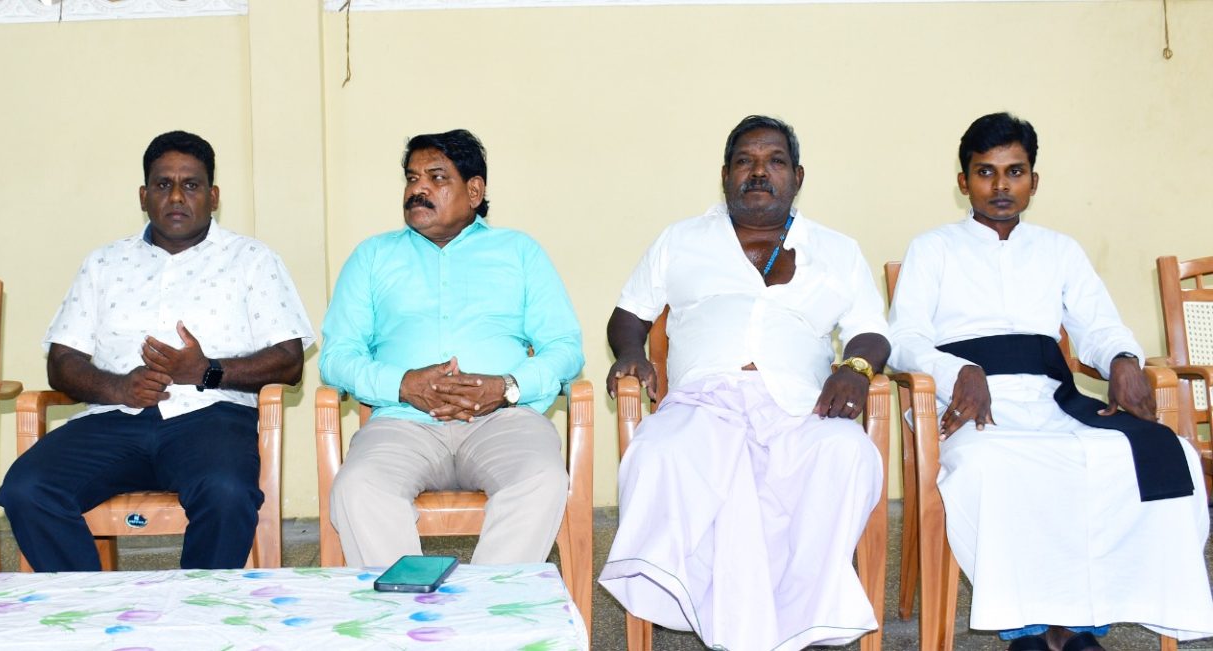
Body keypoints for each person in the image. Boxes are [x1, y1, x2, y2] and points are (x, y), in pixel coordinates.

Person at [888, 112, 1213, 651]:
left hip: (1050, 400)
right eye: (986, 172)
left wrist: (1122, 359)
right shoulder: (934, 248)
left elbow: (1099, 325)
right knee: (995, 467)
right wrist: (958, 370)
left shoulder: (1060, 249)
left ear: (1034, 181)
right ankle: (1029, 628)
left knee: (1161, 453)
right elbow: (904, 337)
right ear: (963, 181)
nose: (1001, 185)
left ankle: (1082, 623)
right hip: (968, 406)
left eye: (1014, 172)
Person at [597, 116, 889, 651]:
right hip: (702, 402)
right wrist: (633, 354)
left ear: (798, 176)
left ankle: (802, 618)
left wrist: (856, 368)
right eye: (745, 161)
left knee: (848, 454)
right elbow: (629, 314)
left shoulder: (837, 250)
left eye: (774, 161)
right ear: (725, 174)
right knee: (657, 453)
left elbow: (871, 330)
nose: (759, 172)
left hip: (801, 408)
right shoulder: (681, 239)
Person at [0, 131, 313, 571]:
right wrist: (119, 387)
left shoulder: (252, 260)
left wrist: (207, 370)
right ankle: (94, 605)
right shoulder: (104, 263)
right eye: (163, 184)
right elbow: (62, 362)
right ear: (144, 196)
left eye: (191, 184)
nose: (177, 196)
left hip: (212, 420)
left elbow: (289, 360)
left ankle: (196, 606)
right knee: (26, 489)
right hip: (112, 420)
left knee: (226, 492)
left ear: (213, 196)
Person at [319, 129, 583, 568]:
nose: (417, 189)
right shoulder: (372, 257)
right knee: (358, 488)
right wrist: (402, 385)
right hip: (404, 422)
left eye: (436, 177)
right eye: (412, 178)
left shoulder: (519, 252)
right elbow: (336, 357)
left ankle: (481, 605)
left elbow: (566, 349)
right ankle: (410, 606)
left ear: (474, 191)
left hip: (503, 420)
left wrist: (507, 387)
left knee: (541, 479)